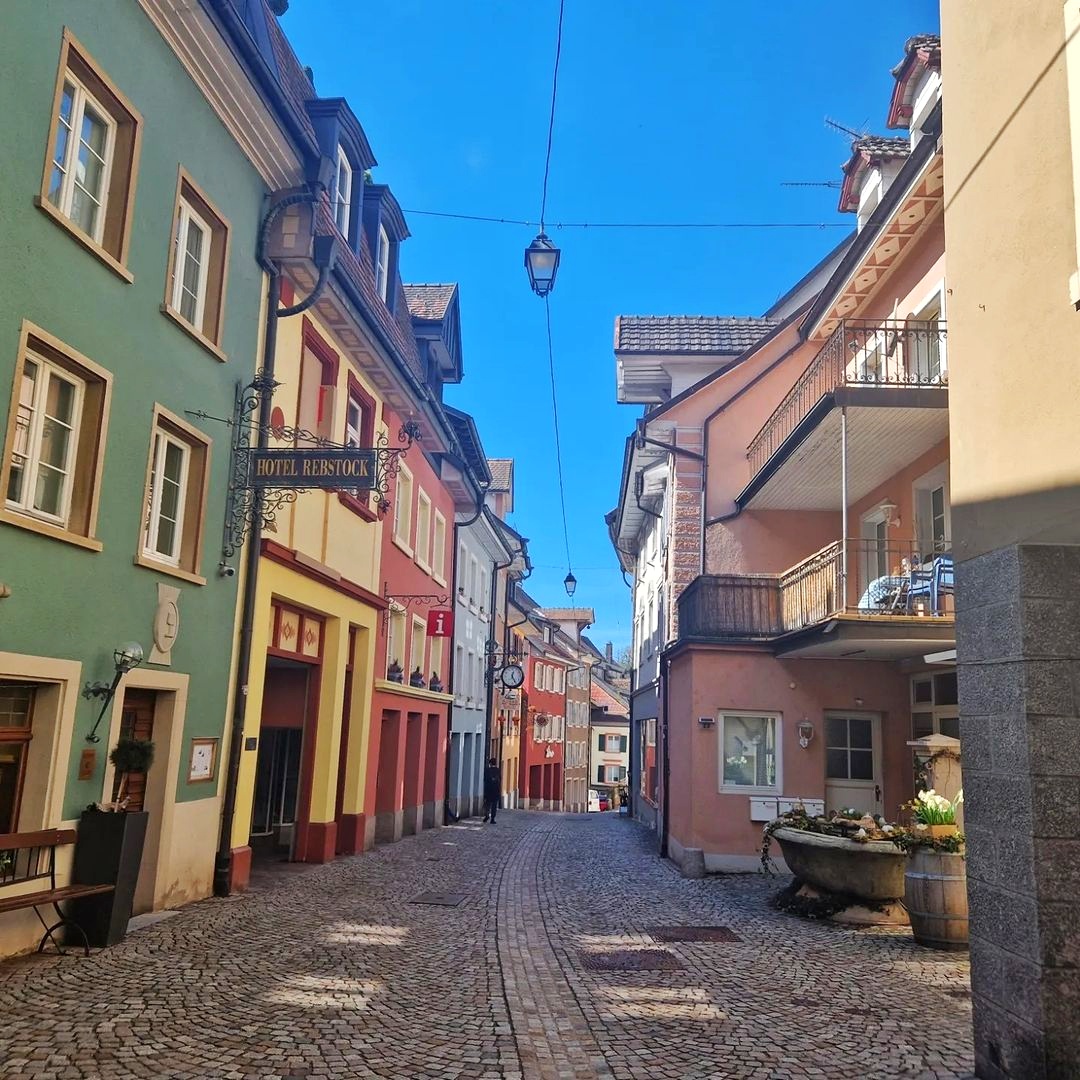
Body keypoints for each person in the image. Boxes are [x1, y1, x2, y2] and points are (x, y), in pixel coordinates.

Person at [482, 757, 502, 823]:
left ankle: (486, 815)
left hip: (488, 790)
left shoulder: (487, 770)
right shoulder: (498, 770)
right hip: (496, 790)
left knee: (487, 804)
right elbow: (500, 780)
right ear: (496, 763)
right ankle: (492, 818)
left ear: (490, 763)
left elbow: (485, 780)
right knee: (494, 805)